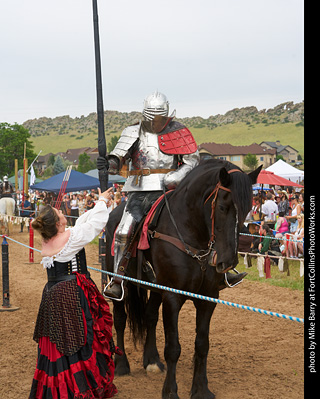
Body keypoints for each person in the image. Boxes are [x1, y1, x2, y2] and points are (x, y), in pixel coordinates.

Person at [29, 187, 117, 399]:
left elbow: (82, 224)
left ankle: (63, 385)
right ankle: (76, 388)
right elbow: (93, 226)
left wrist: (100, 201)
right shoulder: (69, 238)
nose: (61, 212)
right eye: (58, 213)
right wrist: (103, 203)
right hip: (70, 294)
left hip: (52, 294)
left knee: (60, 341)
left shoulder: (51, 238)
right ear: (58, 224)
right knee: (77, 339)